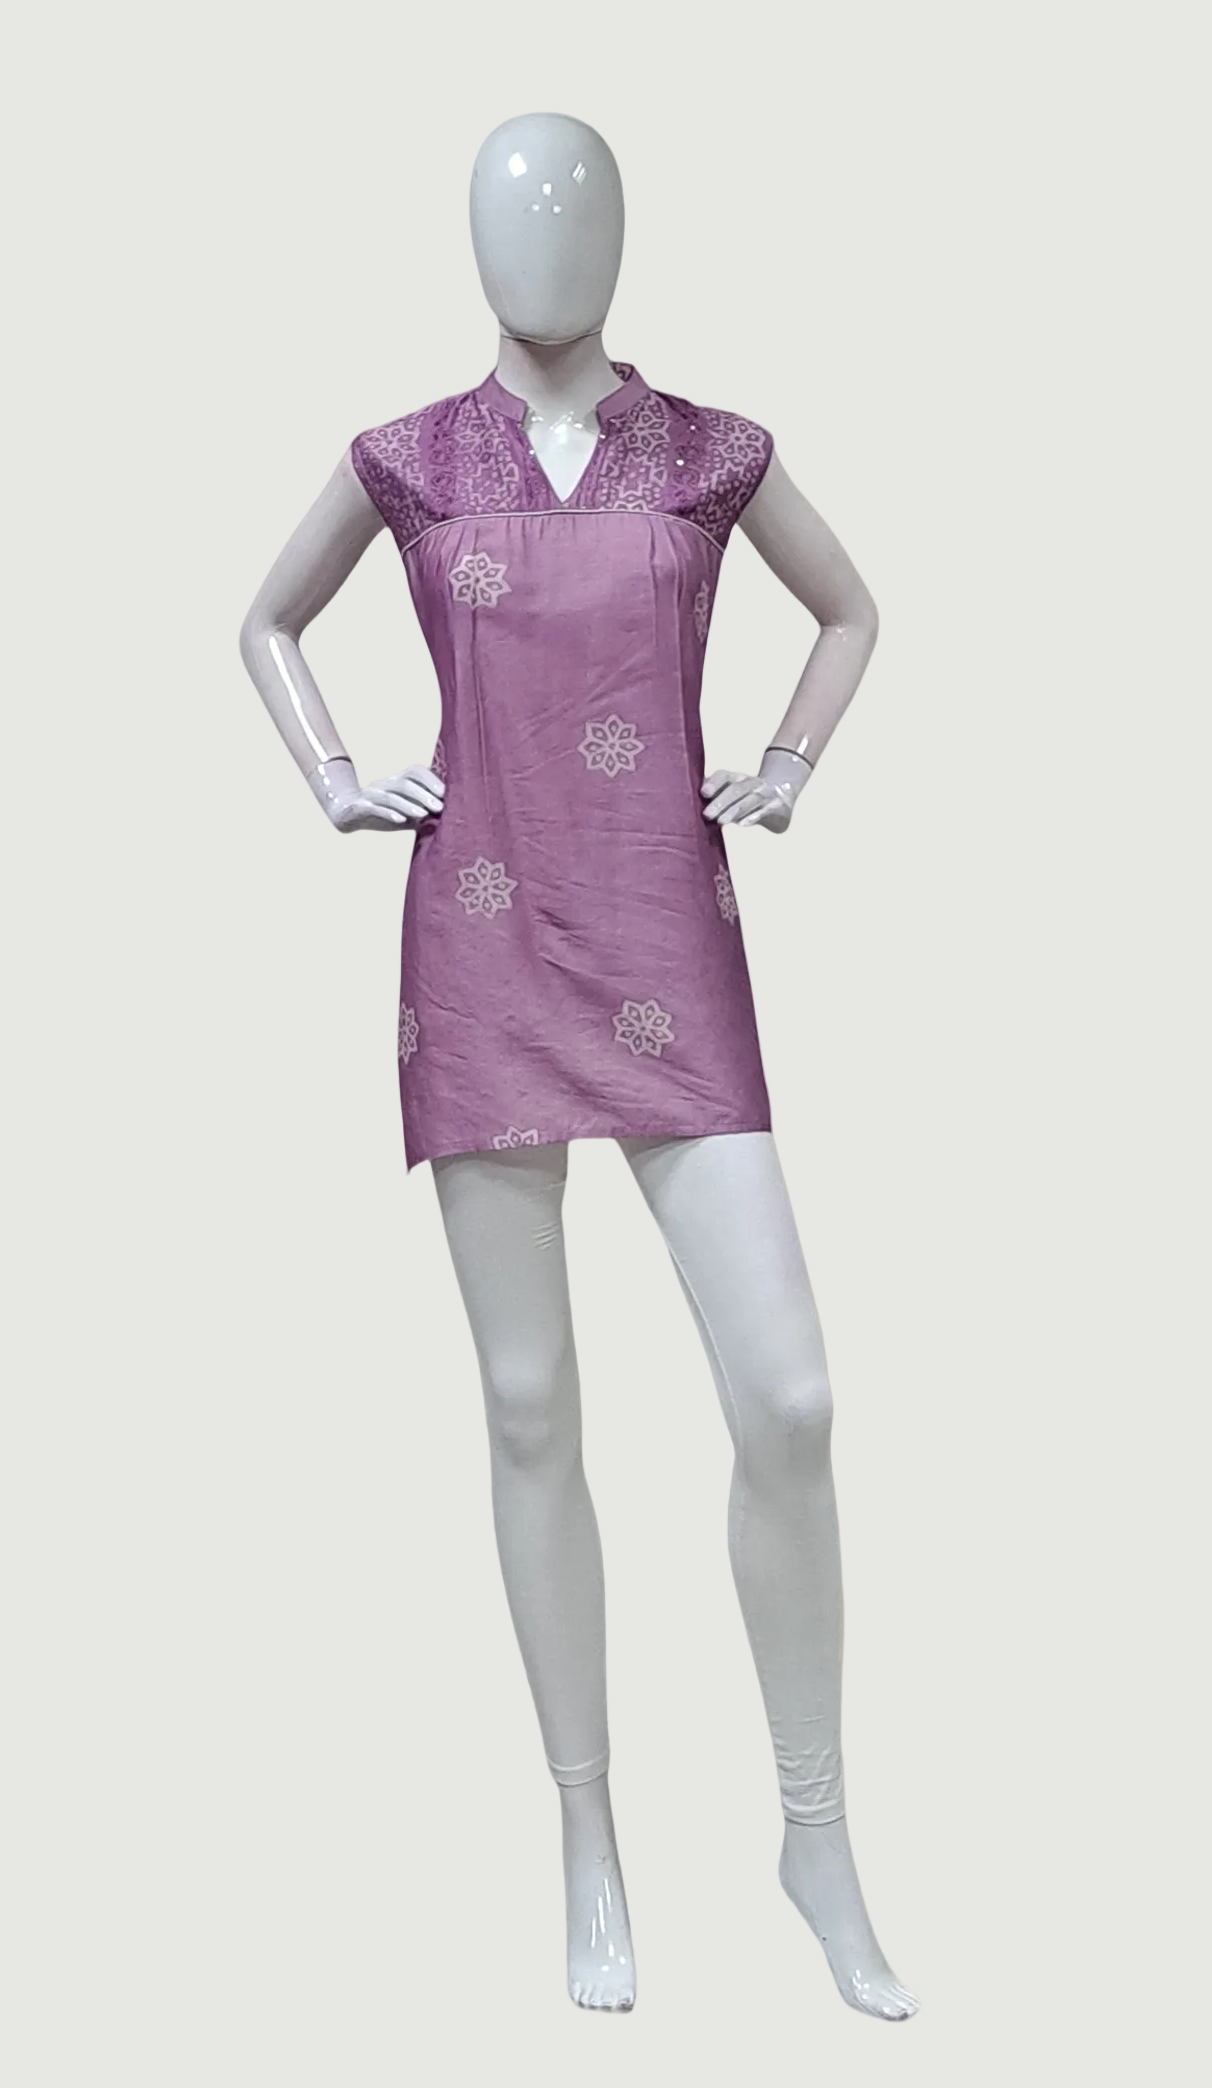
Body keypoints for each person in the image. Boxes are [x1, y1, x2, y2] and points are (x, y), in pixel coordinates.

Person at [239, 109, 917, 2021]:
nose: (540, 243)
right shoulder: (403, 457)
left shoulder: (708, 453)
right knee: (531, 1407)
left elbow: (852, 608)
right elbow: (264, 620)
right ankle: (587, 1837)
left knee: (787, 1398)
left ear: (619, 235)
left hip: (663, 932)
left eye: (572, 210)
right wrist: (331, 775)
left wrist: (786, 764)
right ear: (470, 244)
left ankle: (812, 1834)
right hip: (478, 941)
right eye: (509, 213)